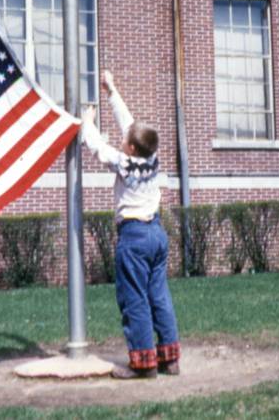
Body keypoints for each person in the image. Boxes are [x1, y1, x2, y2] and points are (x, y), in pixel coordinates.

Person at [81, 71, 181, 380]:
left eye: (125, 141)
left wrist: (87, 122)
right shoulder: (152, 157)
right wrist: (111, 90)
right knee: (158, 296)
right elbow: (129, 124)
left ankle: (143, 364)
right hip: (156, 234)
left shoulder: (124, 163)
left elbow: (97, 147)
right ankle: (170, 360)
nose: (122, 140)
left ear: (132, 149)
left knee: (134, 299)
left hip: (134, 237)